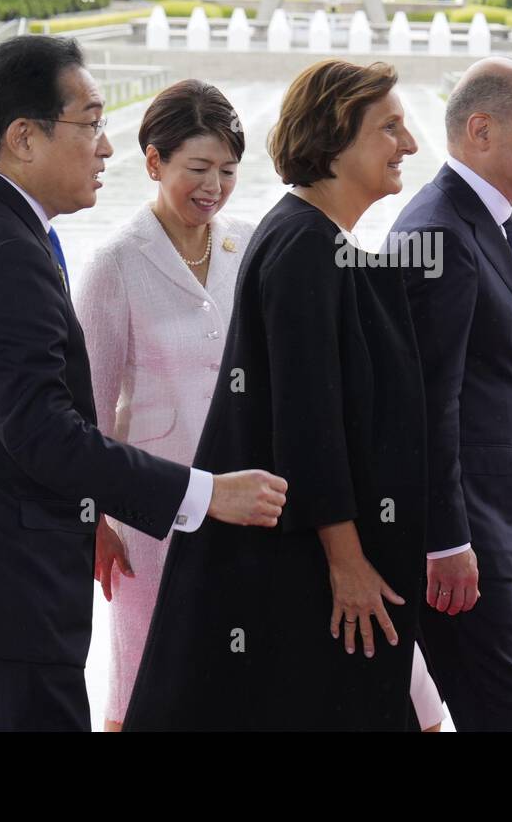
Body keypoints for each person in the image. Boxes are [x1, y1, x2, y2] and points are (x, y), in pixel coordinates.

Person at [0, 36, 286, 732]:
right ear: (23, 138)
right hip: (3, 594)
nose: (108, 147)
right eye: (90, 123)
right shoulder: (4, 251)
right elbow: (42, 431)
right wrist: (205, 494)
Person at [122, 59, 431, 731]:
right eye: (390, 128)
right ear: (335, 139)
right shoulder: (302, 248)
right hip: (296, 575)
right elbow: (308, 420)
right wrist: (347, 562)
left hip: (294, 566)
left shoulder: (313, 238)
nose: (407, 145)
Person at [390, 56, 512, 731]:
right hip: (458, 544)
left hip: (480, 528)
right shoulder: (437, 231)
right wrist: (445, 542)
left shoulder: (478, 220)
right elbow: (420, 406)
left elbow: (469, 363)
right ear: (483, 130)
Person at [75, 79, 255, 731]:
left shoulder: (250, 247)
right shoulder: (114, 265)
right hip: (149, 521)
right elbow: (86, 411)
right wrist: (94, 522)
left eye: (229, 171)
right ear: (154, 163)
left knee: (236, 688)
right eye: (198, 169)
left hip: (243, 512)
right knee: (142, 687)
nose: (214, 187)